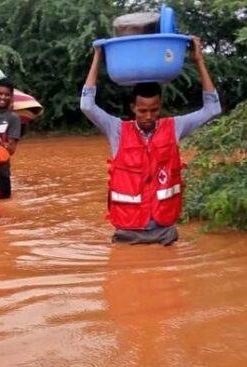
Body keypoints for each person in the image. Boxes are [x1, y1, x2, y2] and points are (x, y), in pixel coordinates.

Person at [80, 36, 222, 245]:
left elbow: (213, 109)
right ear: (132, 108)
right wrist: (98, 56)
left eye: (154, 110)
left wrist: (198, 61)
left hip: (164, 230)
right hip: (127, 230)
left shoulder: (174, 127)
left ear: (160, 106)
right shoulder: (117, 130)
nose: (148, 116)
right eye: (143, 111)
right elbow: (87, 106)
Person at [0, 78, 22, 199]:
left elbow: (12, 150)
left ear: (11, 96)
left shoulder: (13, 118)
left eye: (7, 95)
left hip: (1, 173)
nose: (3, 97)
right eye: (0, 93)